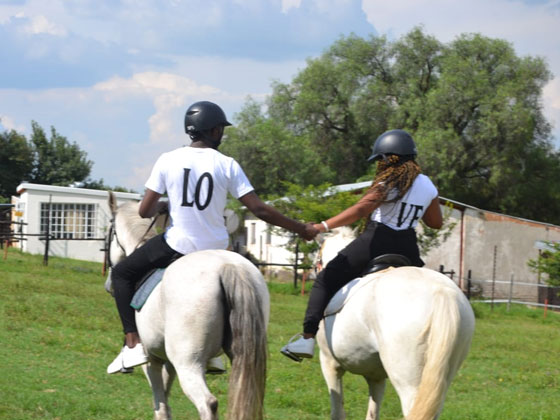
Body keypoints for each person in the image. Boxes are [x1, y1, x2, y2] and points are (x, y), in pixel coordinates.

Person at [108, 100, 319, 374]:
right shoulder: (228, 164)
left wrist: (166, 205)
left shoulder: (167, 159)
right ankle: (215, 354)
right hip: (219, 249)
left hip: (178, 246)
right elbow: (258, 209)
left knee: (123, 273)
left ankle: (133, 344)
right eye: (221, 129)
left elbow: (145, 211)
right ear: (214, 131)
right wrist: (300, 228)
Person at [281, 129, 443, 361]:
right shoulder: (428, 185)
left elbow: (359, 210)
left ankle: (307, 339)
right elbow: (435, 223)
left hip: (376, 241)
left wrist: (321, 226)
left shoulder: (388, 182)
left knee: (326, 279)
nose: (379, 165)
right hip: (408, 246)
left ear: (388, 158)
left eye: (380, 160)